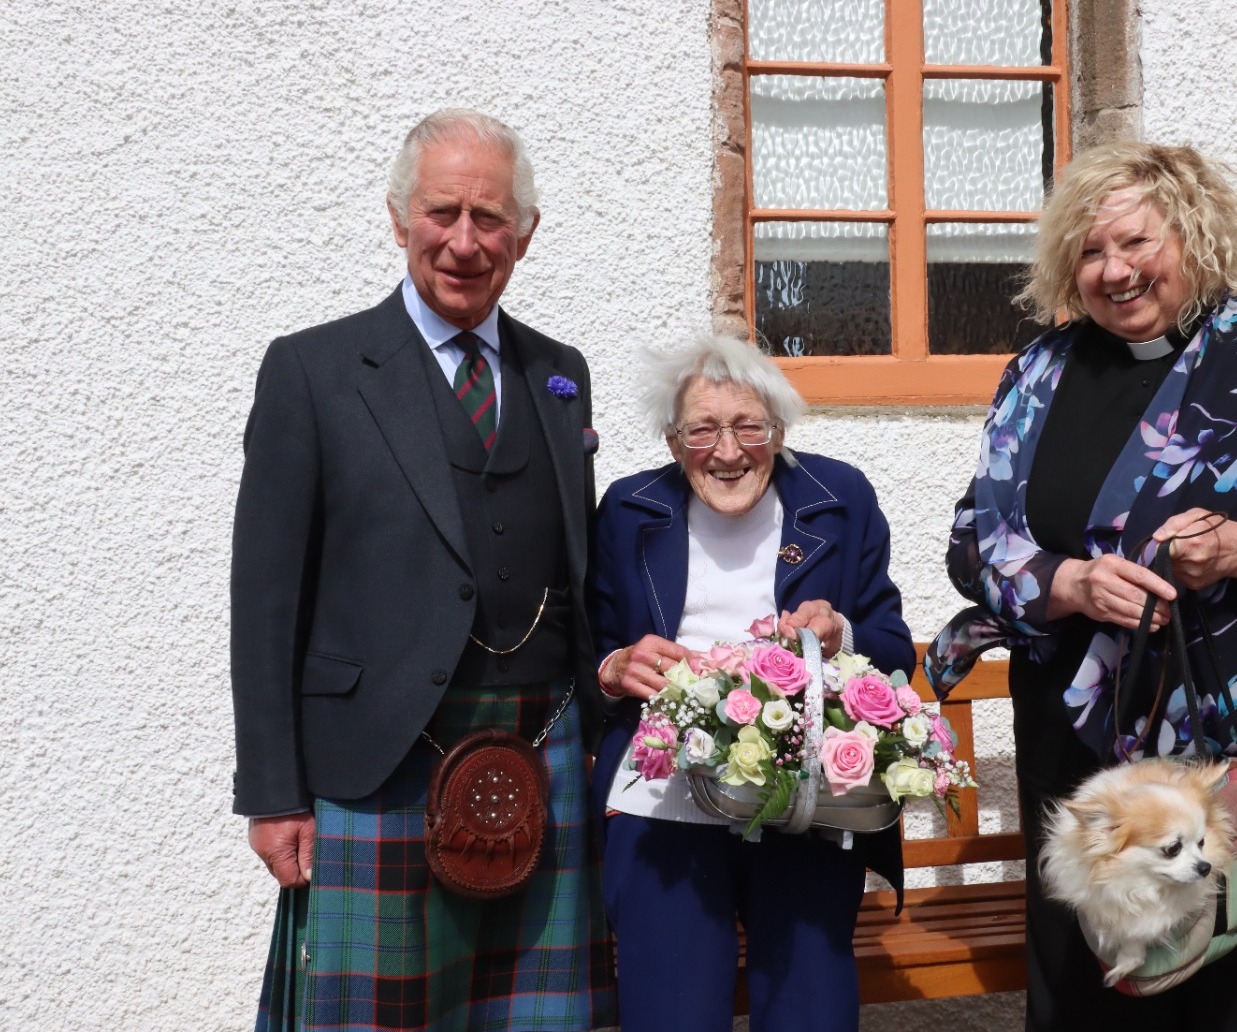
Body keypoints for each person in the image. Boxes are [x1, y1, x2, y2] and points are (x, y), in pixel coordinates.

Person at [926, 141, 1237, 1032]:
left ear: (1194, 232)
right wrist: (1063, 581)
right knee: (1088, 1001)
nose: (1113, 271)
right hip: (1086, 764)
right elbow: (972, 539)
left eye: (1135, 244)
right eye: (1088, 250)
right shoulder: (1038, 370)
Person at [230, 108, 613, 1031]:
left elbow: (575, 561)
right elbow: (265, 596)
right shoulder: (314, 370)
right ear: (399, 217)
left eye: (490, 220)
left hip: (543, 743)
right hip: (378, 761)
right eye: (444, 213)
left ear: (525, 234)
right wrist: (273, 792)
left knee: (536, 1018)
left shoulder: (560, 374)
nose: (465, 242)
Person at [587, 334, 915, 1032]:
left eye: (749, 427)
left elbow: (893, 650)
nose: (728, 451)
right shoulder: (627, 510)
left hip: (805, 800)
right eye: (703, 429)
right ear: (674, 442)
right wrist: (613, 670)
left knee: (810, 1013)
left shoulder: (839, 498)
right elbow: (586, 649)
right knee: (669, 1012)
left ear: (780, 430)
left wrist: (843, 636)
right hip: (661, 798)